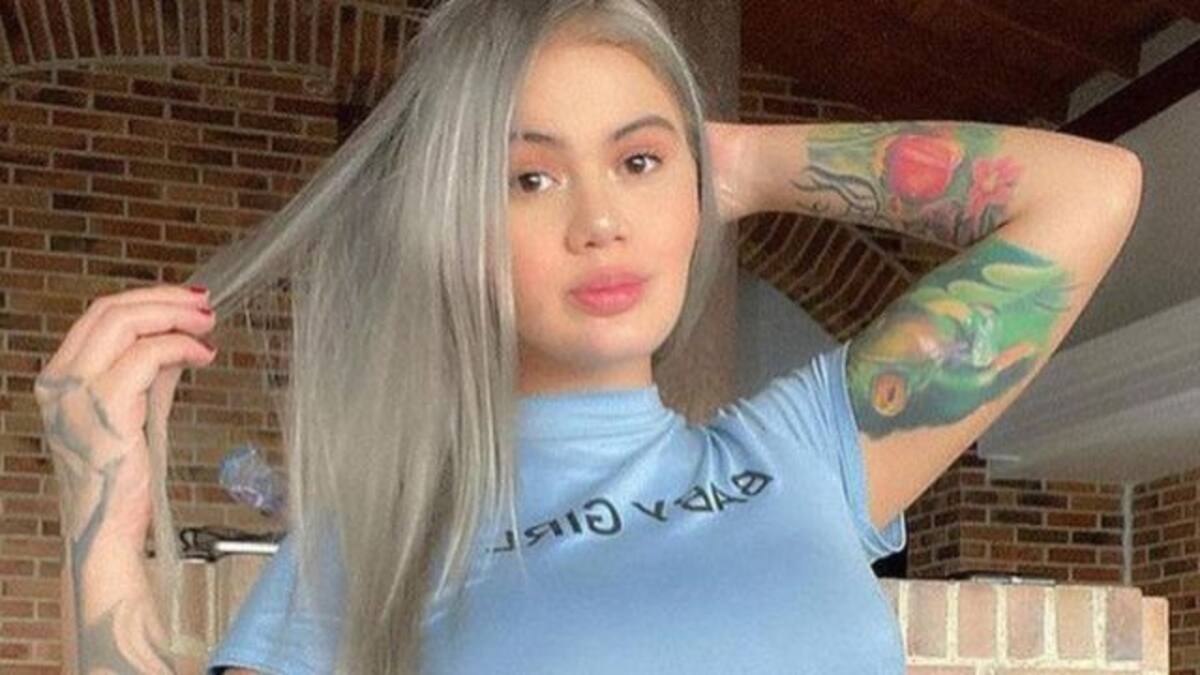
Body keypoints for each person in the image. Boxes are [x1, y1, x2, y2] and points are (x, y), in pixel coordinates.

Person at [34, 0, 1144, 673]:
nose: (601, 219)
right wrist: (100, 527)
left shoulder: (809, 454)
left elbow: (1090, 191)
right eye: (529, 176)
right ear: (455, 228)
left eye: (638, 161)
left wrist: (739, 160)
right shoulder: (375, 548)